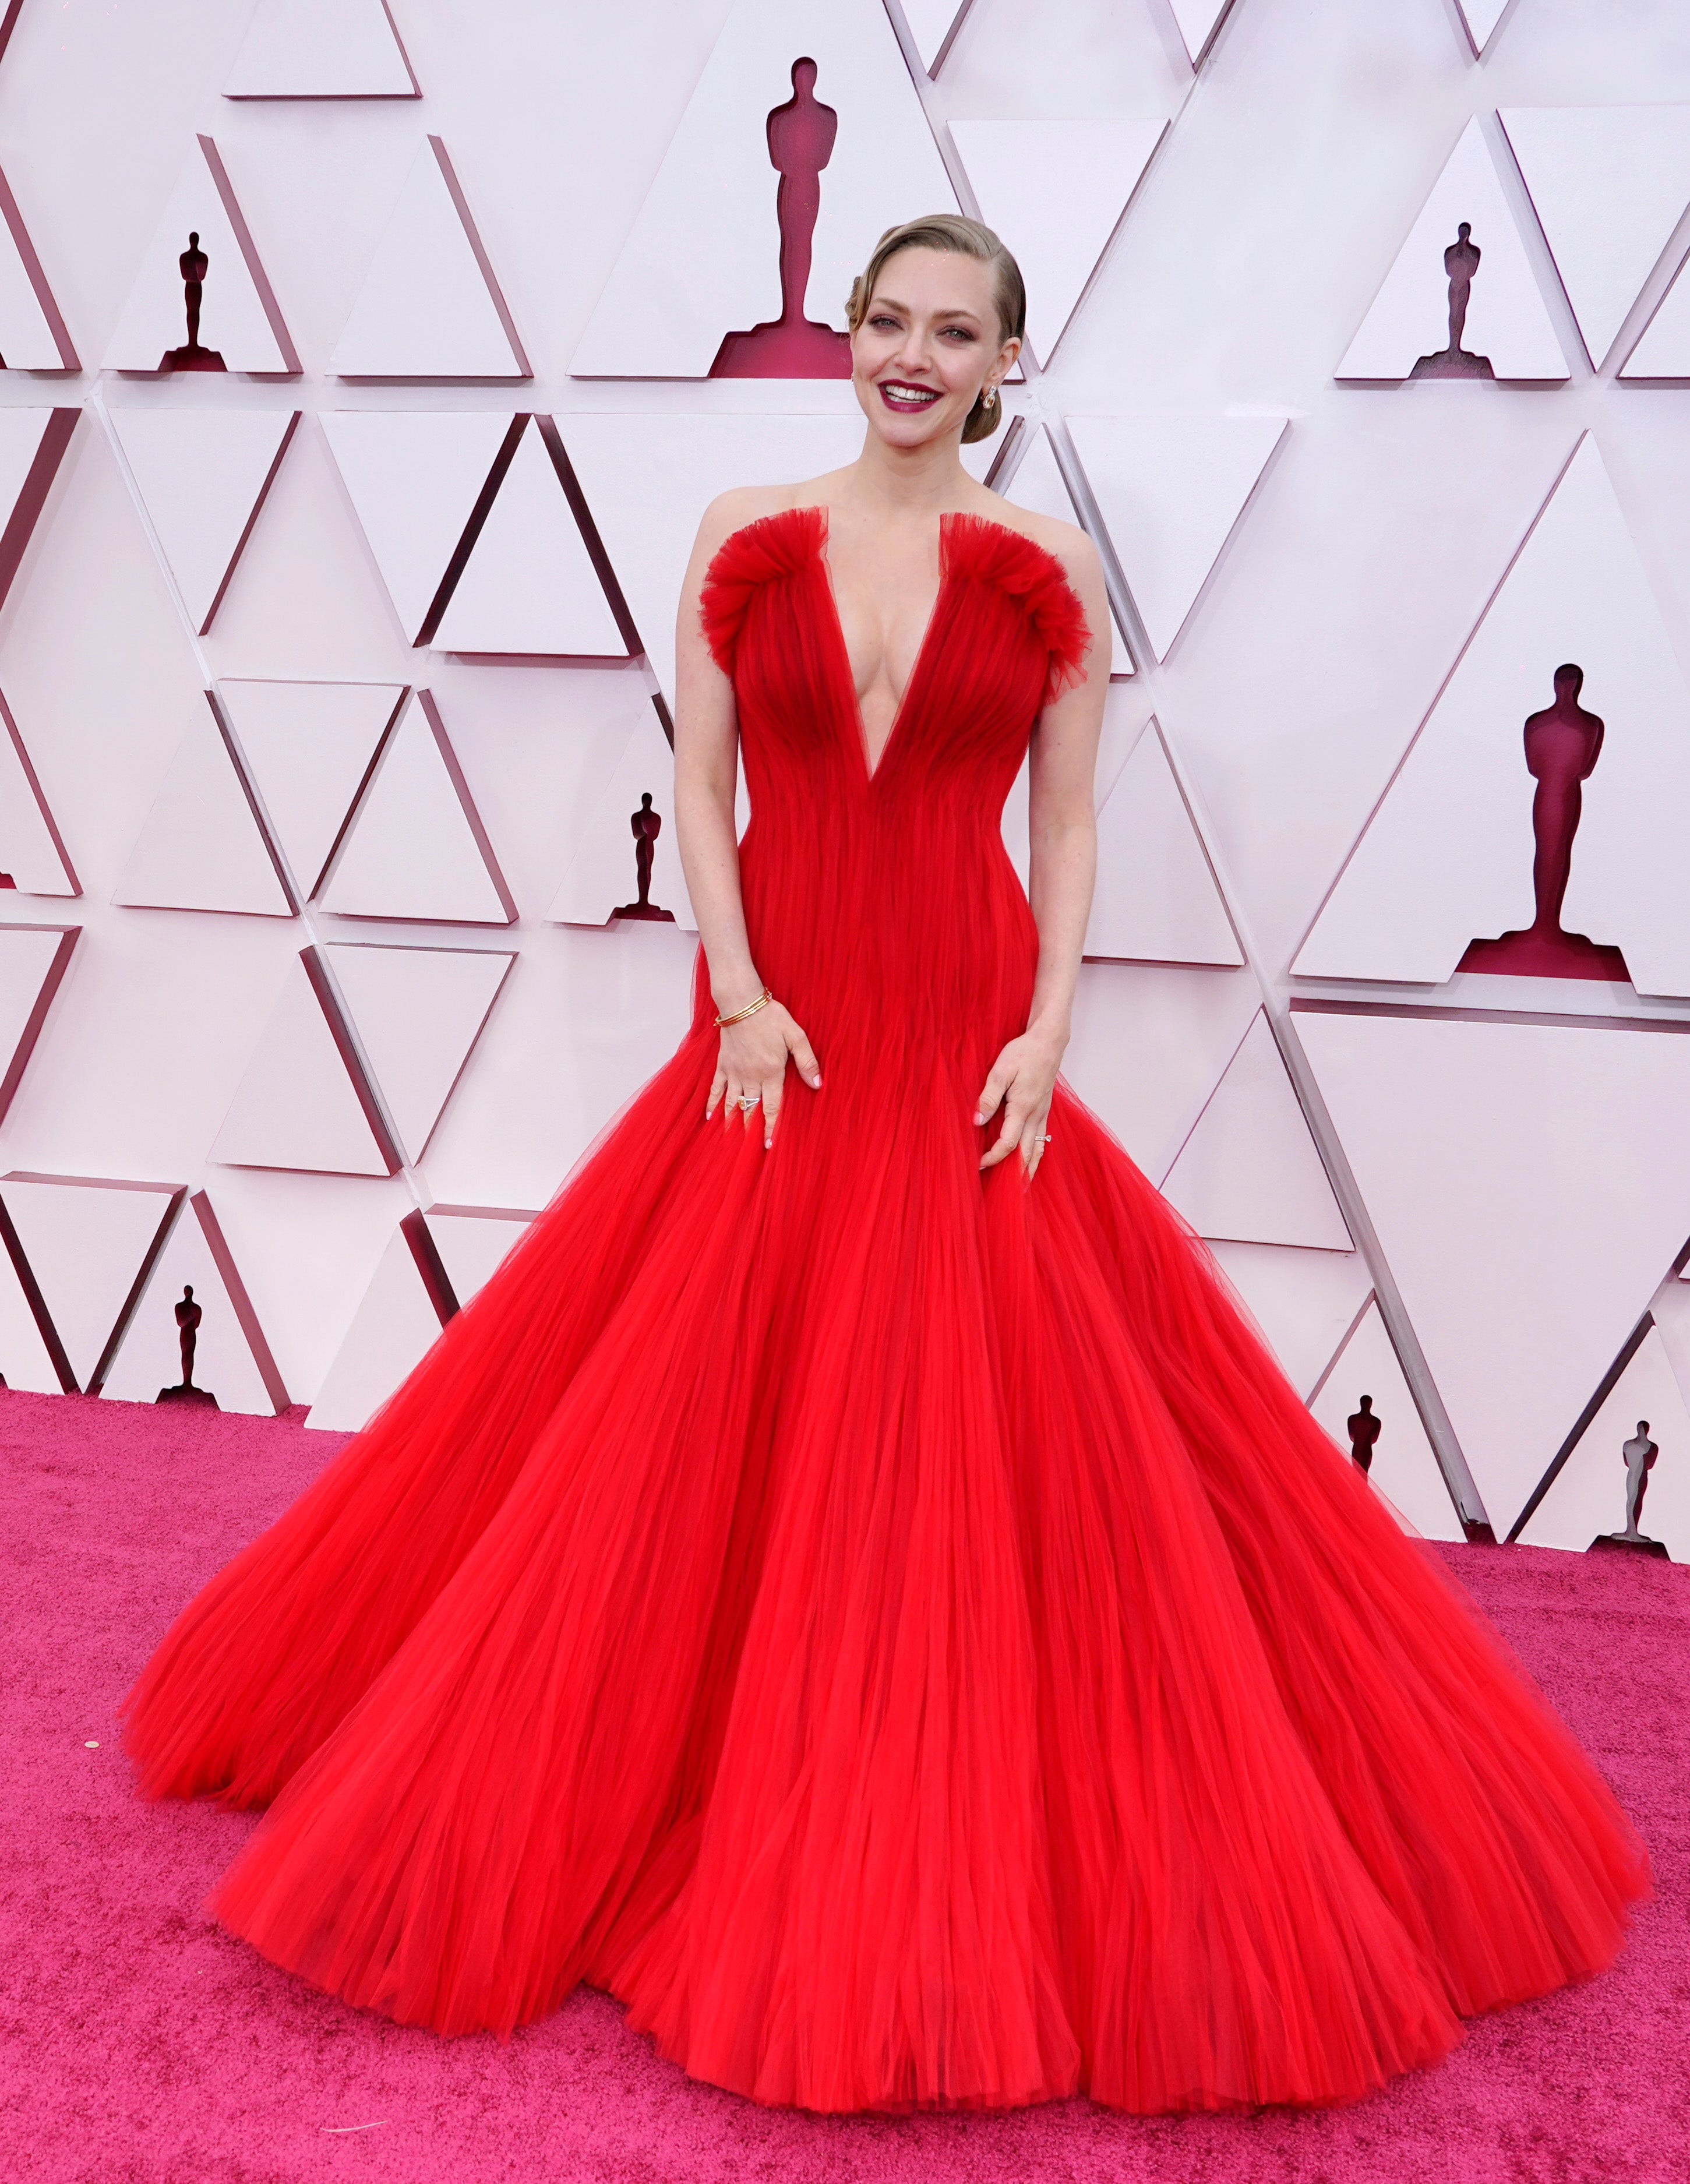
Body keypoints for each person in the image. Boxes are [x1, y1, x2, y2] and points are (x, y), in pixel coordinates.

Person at [124, 213, 1646, 2118]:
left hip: (958, 1028)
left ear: (1008, 363)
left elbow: (1074, 819)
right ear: (846, 333)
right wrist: (740, 995)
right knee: (684, 1435)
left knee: (957, 1450)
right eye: (885, 320)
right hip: (777, 1031)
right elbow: (697, 779)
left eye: (953, 332)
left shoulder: (1047, 567)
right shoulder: (741, 529)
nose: (910, 355)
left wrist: (1048, 1029)